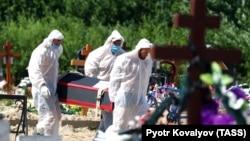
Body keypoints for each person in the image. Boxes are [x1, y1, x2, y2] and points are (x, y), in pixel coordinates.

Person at [106, 38, 153, 133]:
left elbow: (145, 80)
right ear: (140, 50)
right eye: (145, 52)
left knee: (144, 119)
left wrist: (143, 95)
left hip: (139, 97)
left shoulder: (146, 62)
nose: (146, 54)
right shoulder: (125, 59)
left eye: (148, 52)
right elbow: (115, 78)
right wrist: (114, 97)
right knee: (120, 125)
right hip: (125, 97)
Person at [84, 30, 126, 134]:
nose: (117, 45)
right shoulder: (98, 53)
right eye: (115, 43)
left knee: (110, 115)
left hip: (116, 89)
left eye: (119, 43)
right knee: (109, 114)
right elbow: (90, 71)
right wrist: (94, 86)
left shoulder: (123, 55)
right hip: (101, 89)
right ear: (110, 42)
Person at [28, 29, 64, 136]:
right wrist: (41, 85)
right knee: (49, 118)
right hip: (42, 90)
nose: (58, 43)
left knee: (56, 116)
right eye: (56, 41)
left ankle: (46, 137)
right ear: (51, 39)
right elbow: (34, 69)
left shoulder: (56, 50)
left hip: (51, 89)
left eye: (59, 41)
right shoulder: (41, 51)